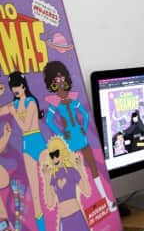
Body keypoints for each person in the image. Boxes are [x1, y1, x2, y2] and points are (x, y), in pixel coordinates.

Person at [43, 60, 116, 212]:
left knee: (93, 167)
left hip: (80, 136)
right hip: (69, 140)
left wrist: (84, 127)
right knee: (72, 172)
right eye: (56, 79)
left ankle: (106, 199)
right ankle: (79, 207)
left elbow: (85, 114)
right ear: (51, 82)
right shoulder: (54, 103)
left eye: (62, 78)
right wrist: (61, 134)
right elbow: (49, 121)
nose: (60, 81)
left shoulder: (73, 99)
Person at [0, 72, 49, 231]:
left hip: (38, 143)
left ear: (23, 85)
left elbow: (26, 127)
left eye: (18, 86)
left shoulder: (30, 102)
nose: (15, 90)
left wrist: (13, 112)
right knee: (35, 194)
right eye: (13, 87)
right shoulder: (13, 104)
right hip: (27, 147)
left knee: (50, 184)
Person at [41, 136, 98, 231]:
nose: (55, 158)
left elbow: (87, 191)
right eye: (52, 155)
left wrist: (80, 168)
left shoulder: (72, 171)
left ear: (63, 152)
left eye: (57, 154)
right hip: (64, 222)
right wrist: (46, 179)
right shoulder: (53, 176)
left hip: (77, 217)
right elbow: (50, 204)